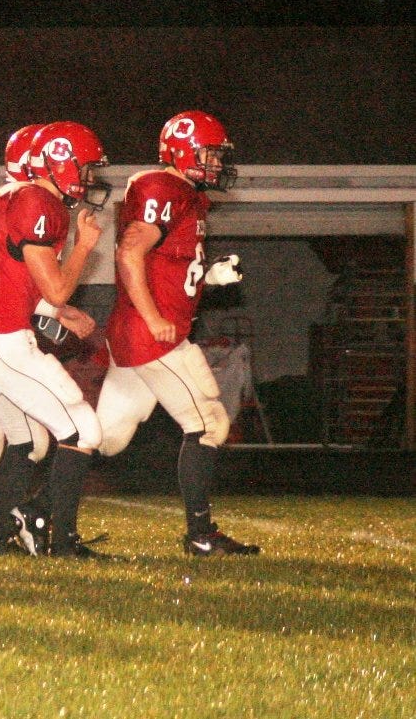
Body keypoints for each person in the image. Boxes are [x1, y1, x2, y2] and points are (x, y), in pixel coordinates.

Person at [0, 120, 111, 558]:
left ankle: (0, 536)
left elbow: (13, 280)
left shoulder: (9, 199)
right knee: (81, 428)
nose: (90, 178)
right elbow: (53, 286)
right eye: (86, 168)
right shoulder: (36, 201)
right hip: (1, 340)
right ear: (59, 164)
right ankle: (48, 528)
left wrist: (56, 311)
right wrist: (83, 246)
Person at [95, 110, 258, 556]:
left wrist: (210, 276)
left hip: (142, 332)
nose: (215, 164)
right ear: (182, 152)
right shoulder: (162, 187)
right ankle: (200, 534)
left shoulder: (188, 196)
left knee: (104, 437)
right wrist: (151, 318)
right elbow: (131, 252)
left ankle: (39, 511)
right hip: (154, 335)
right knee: (209, 422)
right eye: (208, 154)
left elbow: (168, 266)